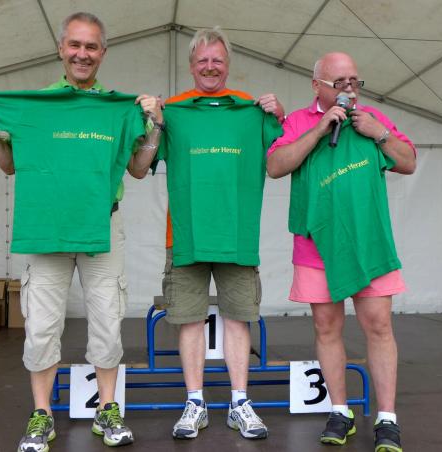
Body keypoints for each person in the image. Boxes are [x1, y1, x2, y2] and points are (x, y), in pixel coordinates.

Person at [0, 12, 161, 452]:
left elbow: (139, 169)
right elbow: (9, 163)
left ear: (103, 53)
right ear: (61, 49)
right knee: (41, 326)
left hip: (103, 225)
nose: (82, 54)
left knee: (107, 322)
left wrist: (154, 125)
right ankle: (41, 414)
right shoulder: (37, 104)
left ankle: (108, 409)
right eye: (75, 45)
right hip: (47, 228)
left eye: (91, 46)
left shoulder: (118, 108)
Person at [267, 51, 416, 452]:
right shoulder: (298, 121)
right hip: (316, 247)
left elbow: (408, 162)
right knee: (326, 327)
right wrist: (319, 130)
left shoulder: (371, 119)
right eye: (340, 82)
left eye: (354, 81)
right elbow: (276, 165)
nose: (350, 88)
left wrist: (379, 134)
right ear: (317, 85)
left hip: (368, 243)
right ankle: (339, 411)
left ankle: (387, 418)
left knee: (379, 326)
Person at [157, 27, 284, 441]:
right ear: (191, 66)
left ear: (228, 65)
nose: (210, 67)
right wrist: (153, 121)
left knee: (239, 318)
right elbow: (142, 161)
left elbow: (285, 152)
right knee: (188, 320)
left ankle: (239, 402)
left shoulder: (253, 110)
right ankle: (194, 402)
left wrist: (279, 116)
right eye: (202, 61)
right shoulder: (173, 112)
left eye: (217, 60)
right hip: (186, 236)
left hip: (236, 236)